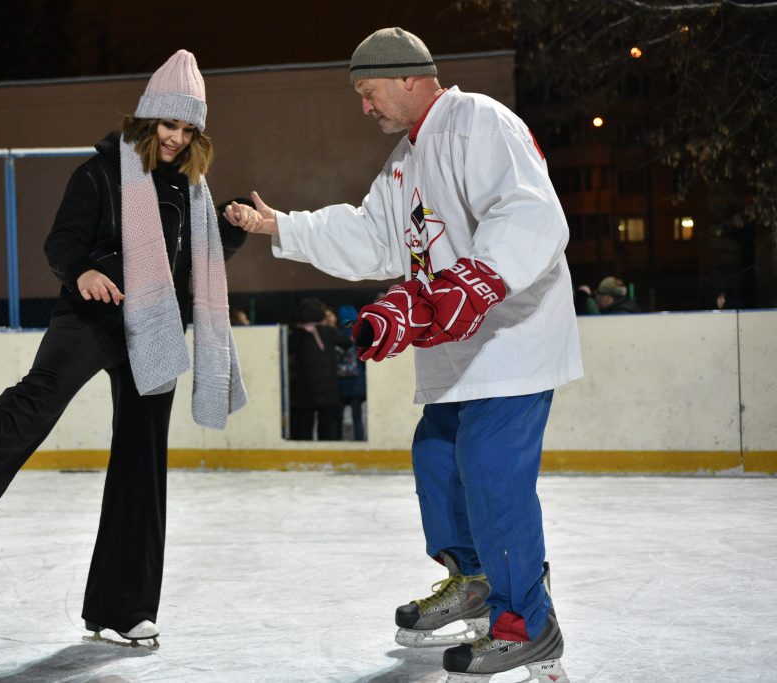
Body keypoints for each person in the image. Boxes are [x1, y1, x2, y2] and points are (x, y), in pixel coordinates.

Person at [226, 28, 582, 682]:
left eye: (368, 91)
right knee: (438, 461)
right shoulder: (405, 159)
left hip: (512, 341)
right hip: (455, 352)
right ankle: (475, 580)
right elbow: (372, 238)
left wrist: (474, 281)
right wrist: (284, 227)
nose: (364, 107)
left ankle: (526, 624)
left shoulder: (479, 122)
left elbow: (532, 214)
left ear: (408, 76)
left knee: (489, 471)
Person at [0, 50, 249, 648]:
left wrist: (231, 230)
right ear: (147, 118)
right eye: (169, 124)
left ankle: (123, 608)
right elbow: (61, 244)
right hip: (93, 314)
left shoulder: (191, 193)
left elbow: (192, 269)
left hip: (156, 329)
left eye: (189, 129)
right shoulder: (99, 174)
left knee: (143, 467)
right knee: (42, 394)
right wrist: (83, 271)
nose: (176, 138)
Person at [287, 297, 352, 440]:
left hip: (305, 387)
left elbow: (283, 350)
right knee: (328, 423)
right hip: (328, 387)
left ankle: (304, 448)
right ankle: (328, 446)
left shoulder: (296, 335)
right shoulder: (329, 331)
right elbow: (347, 343)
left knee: (305, 422)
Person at [335, 304, 367, 441]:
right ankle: (359, 439)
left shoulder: (336, 334)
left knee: (338, 417)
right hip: (357, 381)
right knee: (357, 417)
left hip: (339, 381)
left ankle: (337, 441)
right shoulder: (360, 334)